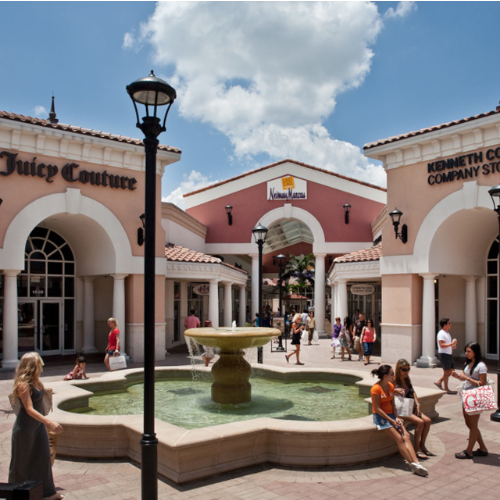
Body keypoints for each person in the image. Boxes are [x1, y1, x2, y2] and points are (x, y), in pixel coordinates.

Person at [9, 352, 64, 500]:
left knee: (43, 457)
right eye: (40, 363)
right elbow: (29, 409)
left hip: (38, 426)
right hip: (25, 427)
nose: (42, 365)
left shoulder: (36, 382)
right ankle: (15, 492)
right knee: (21, 461)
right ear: (33, 365)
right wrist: (49, 422)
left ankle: (48, 493)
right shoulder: (23, 384)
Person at [371, 364, 428, 477]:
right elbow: (377, 409)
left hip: (392, 415)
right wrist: (391, 421)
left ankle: (416, 462)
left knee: (406, 435)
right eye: (392, 374)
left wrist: (396, 417)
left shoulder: (391, 386)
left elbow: (393, 404)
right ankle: (412, 464)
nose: (393, 375)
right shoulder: (375, 389)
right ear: (385, 376)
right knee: (399, 439)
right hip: (381, 417)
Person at [451, 342, 489, 459]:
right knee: (469, 423)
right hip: (467, 396)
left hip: (475, 396)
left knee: (473, 425)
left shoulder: (481, 366)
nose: (466, 353)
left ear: (475, 352)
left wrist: (466, 378)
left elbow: (482, 383)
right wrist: (458, 376)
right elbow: (465, 378)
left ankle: (469, 451)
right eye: (466, 351)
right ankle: (482, 448)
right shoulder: (468, 363)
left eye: (469, 351)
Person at [394, 359, 433, 460]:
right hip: (400, 409)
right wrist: (394, 390)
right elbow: (384, 390)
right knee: (420, 422)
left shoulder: (407, 379)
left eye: (408, 369)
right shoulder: (394, 380)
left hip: (409, 407)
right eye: (404, 369)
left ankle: (422, 445)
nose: (406, 371)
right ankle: (416, 449)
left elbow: (413, 392)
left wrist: (418, 404)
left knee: (428, 421)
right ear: (398, 369)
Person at [434, 318, 457, 394]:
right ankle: (446, 388)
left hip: (448, 354)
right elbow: (441, 345)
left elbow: (446, 344)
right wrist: (451, 344)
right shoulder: (441, 333)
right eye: (449, 323)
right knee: (446, 371)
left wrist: (452, 346)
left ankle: (439, 381)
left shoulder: (447, 333)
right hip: (444, 355)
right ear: (445, 325)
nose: (450, 324)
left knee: (450, 371)